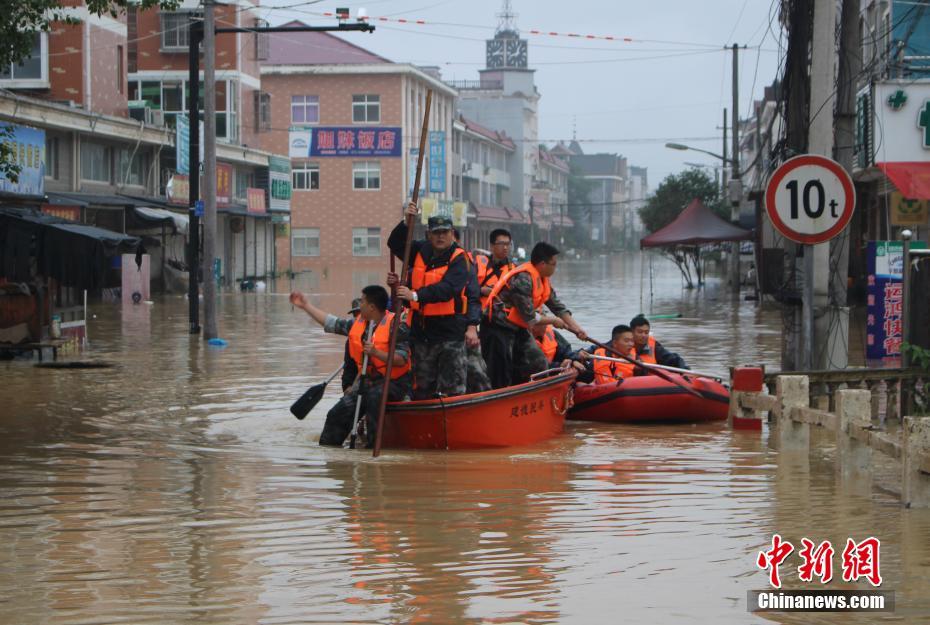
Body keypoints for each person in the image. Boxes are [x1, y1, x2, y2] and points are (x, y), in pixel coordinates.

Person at [290, 285, 411, 447]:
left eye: (362, 302)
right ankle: (330, 450)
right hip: (366, 382)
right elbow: (331, 323)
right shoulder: (358, 324)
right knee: (336, 414)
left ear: (372, 307)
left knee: (374, 398)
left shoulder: (397, 325)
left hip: (393, 383)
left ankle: (372, 448)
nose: (359, 305)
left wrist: (376, 352)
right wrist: (306, 306)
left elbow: (401, 359)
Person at [388, 203, 469, 399]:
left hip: (450, 330)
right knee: (422, 386)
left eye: (445, 232)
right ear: (428, 234)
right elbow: (395, 243)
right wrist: (407, 222)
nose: (440, 236)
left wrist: (414, 295)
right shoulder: (418, 250)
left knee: (452, 386)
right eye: (436, 233)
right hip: (423, 330)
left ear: (452, 234)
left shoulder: (459, 258)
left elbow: (448, 289)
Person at [483, 241, 589, 388]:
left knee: (539, 361)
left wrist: (577, 329)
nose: (555, 267)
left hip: (518, 327)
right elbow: (530, 318)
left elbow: (558, 307)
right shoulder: (523, 279)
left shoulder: (543, 279)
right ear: (542, 264)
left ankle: (531, 391)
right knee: (501, 369)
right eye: (554, 264)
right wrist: (553, 321)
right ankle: (500, 398)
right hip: (498, 326)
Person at [455, 228, 492, 394]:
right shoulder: (430, 264)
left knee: (476, 371)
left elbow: (473, 298)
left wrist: (472, 328)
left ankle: (486, 403)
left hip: (468, 324)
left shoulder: (468, 264)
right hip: (441, 330)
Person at [475, 228, 516, 309]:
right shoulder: (478, 263)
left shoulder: (514, 269)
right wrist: (481, 290)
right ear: (492, 246)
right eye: (501, 243)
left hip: (503, 317)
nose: (505, 247)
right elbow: (466, 288)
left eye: (508, 244)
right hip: (479, 315)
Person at [341, 298, 362, 393]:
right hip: (354, 385)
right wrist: (347, 386)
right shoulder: (350, 340)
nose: (358, 317)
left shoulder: (374, 333)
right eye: (355, 314)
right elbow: (348, 367)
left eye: (360, 313)